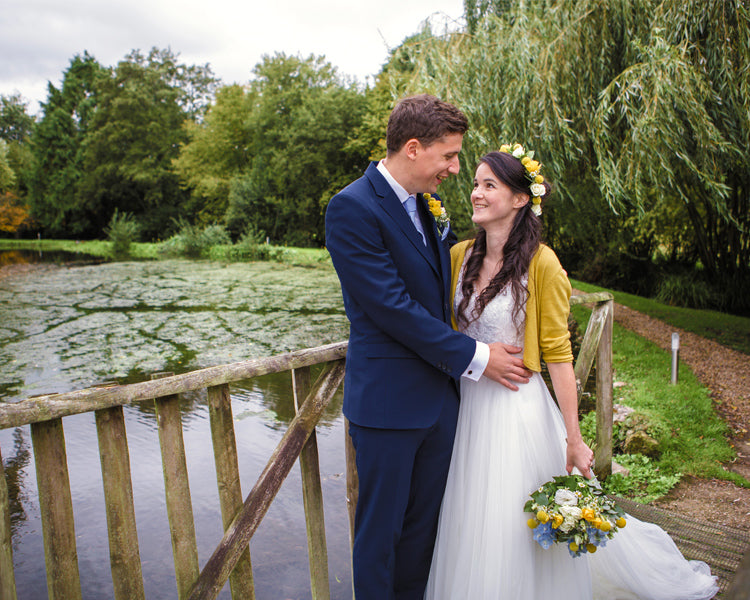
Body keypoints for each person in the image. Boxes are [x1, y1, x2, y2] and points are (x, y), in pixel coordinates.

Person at [424, 146, 718, 599]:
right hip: (465, 408)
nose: (475, 193)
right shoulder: (459, 255)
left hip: (515, 412)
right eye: (475, 183)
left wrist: (573, 438)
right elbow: (443, 330)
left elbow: (560, 355)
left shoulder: (542, 264)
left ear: (520, 199)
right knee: (470, 515)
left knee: (510, 520)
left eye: (489, 185)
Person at [325, 96, 533, 600]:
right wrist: (479, 358)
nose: (455, 168)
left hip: (441, 403)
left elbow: (442, 298)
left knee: (423, 536)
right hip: (389, 405)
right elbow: (392, 307)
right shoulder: (352, 207)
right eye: (449, 155)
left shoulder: (424, 206)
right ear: (414, 148)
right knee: (380, 538)